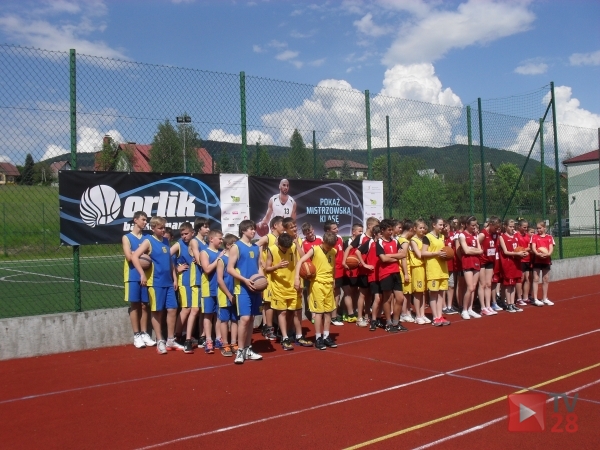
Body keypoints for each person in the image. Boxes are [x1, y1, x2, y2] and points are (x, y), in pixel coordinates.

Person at [131, 216, 179, 354]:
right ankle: (160, 341)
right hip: (155, 282)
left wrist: (174, 278)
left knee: (172, 309)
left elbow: (169, 261)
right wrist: (142, 274)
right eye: (160, 228)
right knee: (157, 311)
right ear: (153, 228)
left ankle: (170, 339)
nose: (163, 230)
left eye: (164, 227)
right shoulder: (148, 241)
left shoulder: (166, 241)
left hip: (168, 282)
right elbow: (135, 256)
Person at [266, 233, 313, 350]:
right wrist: (277, 266)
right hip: (279, 286)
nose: (286, 250)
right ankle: (285, 337)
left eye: (288, 248)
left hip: (293, 285)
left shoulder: (292, 246)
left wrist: (298, 280)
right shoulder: (271, 250)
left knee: (297, 312)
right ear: (279, 244)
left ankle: (299, 336)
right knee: (282, 312)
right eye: (284, 248)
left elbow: (301, 260)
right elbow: (267, 268)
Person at [227, 220, 264, 364]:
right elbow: (230, 268)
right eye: (250, 229)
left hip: (255, 287)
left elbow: (259, 266)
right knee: (245, 319)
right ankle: (240, 350)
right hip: (242, 287)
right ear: (243, 230)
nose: (253, 231)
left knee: (252, 319)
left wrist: (263, 282)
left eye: (254, 229)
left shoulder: (256, 247)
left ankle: (248, 349)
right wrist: (244, 280)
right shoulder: (236, 247)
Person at [295, 231, 338, 350]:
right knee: (319, 313)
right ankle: (318, 337)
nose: (329, 248)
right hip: (317, 284)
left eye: (331, 246)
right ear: (323, 241)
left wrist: (334, 280)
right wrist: (297, 278)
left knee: (328, 311)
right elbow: (300, 261)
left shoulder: (333, 251)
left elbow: (333, 267)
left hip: (329, 284)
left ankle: (326, 336)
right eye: (328, 246)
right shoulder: (315, 250)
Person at [122, 211, 155, 348]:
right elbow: (129, 257)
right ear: (135, 220)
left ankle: (144, 333)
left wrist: (138, 254)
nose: (145, 222)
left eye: (146, 220)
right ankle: (136, 335)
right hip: (132, 275)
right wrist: (141, 254)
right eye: (143, 219)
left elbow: (151, 254)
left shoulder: (147, 237)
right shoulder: (127, 237)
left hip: (147, 276)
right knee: (135, 305)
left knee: (144, 305)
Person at [374, 219, 409, 332]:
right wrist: (396, 256)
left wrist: (389, 256)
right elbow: (383, 259)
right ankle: (388, 323)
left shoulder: (395, 241)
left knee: (400, 298)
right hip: (385, 273)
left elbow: (403, 254)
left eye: (391, 230)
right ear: (382, 230)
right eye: (389, 230)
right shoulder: (379, 242)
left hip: (396, 272)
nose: (391, 232)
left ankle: (396, 322)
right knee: (387, 298)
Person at [255, 216, 284, 341]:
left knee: (276, 302)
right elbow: (256, 245)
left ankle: (272, 326)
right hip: (268, 275)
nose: (284, 227)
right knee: (268, 302)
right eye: (282, 225)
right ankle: (268, 328)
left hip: (278, 275)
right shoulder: (268, 237)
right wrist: (261, 260)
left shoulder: (282, 239)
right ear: (275, 226)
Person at [348, 217, 380, 327]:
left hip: (372, 271)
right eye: (376, 225)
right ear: (370, 226)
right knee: (362, 294)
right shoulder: (362, 237)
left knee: (369, 295)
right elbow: (350, 249)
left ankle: (367, 316)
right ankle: (359, 318)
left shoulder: (375, 239)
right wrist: (345, 261)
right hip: (363, 270)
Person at [170, 222, 196, 352]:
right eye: (182, 234)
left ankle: (188, 334)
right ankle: (177, 335)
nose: (184, 236)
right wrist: (176, 268)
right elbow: (165, 256)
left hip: (195, 280)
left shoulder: (196, 243)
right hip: (184, 281)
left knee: (195, 309)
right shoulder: (179, 244)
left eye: (186, 234)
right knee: (186, 308)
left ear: (192, 233)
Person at [324, 220, 355, 325]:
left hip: (343, 269)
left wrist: (346, 262)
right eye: (334, 228)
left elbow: (342, 252)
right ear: (328, 231)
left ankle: (350, 314)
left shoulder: (340, 238)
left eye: (337, 227)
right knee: (336, 293)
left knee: (347, 290)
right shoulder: (327, 242)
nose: (337, 229)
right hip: (335, 271)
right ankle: (333, 316)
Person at [421, 216, 450, 326]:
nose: (442, 227)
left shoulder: (442, 236)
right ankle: (435, 317)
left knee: (441, 294)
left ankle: (440, 316)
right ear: (434, 225)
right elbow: (423, 253)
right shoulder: (427, 237)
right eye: (440, 225)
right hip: (433, 269)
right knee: (433, 294)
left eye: (443, 225)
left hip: (443, 269)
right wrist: (436, 253)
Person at [199, 230, 225, 354]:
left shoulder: (221, 251)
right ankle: (208, 339)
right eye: (219, 238)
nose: (221, 241)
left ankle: (218, 338)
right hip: (208, 288)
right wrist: (219, 258)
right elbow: (207, 269)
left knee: (219, 315)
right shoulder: (204, 252)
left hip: (220, 288)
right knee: (208, 314)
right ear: (211, 239)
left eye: (222, 238)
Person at [216, 233, 240, 357]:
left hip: (236, 292)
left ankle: (234, 343)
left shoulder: (236, 260)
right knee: (224, 320)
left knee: (235, 319)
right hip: (225, 294)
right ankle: (225, 344)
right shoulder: (222, 260)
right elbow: (220, 280)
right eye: (234, 245)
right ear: (228, 245)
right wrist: (229, 295)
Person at [499, 219, 528, 313]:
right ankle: (508, 304)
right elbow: (505, 251)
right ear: (505, 226)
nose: (512, 228)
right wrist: (517, 254)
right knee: (508, 285)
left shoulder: (515, 236)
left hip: (516, 262)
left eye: (513, 227)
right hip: (508, 263)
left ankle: (512, 303)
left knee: (514, 284)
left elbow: (518, 248)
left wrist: (523, 252)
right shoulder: (502, 237)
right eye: (510, 226)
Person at [458, 216, 483, 320]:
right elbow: (466, 251)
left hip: (476, 262)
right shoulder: (462, 235)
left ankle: (470, 308)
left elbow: (480, 250)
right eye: (472, 225)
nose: (474, 227)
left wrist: (472, 249)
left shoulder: (475, 235)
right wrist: (474, 250)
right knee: (470, 287)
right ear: (467, 225)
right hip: (467, 262)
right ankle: (464, 310)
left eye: (475, 225)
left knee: (474, 286)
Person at [478, 216, 500, 316]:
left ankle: (488, 305)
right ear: (490, 224)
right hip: (482, 261)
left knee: (489, 284)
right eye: (495, 227)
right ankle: (482, 307)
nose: (497, 229)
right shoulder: (483, 234)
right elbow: (476, 245)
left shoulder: (495, 234)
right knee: (482, 284)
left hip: (490, 261)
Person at [530, 221, 555, 306]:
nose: (538, 230)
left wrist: (548, 254)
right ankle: (535, 298)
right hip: (537, 260)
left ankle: (545, 298)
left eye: (540, 228)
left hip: (546, 260)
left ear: (544, 228)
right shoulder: (534, 237)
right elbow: (533, 247)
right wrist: (537, 254)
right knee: (536, 279)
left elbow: (551, 248)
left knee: (546, 279)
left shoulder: (549, 237)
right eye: (537, 228)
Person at [409, 219, 428, 325]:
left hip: (425, 266)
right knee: (418, 292)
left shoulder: (424, 239)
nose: (422, 230)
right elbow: (419, 254)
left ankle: (422, 314)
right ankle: (418, 315)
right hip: (417, 267)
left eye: (423, 228)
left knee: (423, 292)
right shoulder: (413, 240)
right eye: (420, 228)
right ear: (415, 228)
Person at [397, 220, 414, 323]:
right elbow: (403, 258)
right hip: (404, 269)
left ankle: (407, 312)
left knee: (407, 292)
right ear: (410, 229)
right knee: (405, 293)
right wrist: (406, 273)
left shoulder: (400, 239)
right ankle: (404, 313)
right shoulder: (405, 241)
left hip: (403, 269)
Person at [515, 219, 532, 307]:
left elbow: (529, 247)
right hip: (520, 259)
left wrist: (524, 250)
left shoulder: (527, 236)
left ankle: (525, 297)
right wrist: (521, 251)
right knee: (520, 279)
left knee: (527, 278)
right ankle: (518, 298)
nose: (526, 229)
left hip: (527, 259)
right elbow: (516, 248)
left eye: (526, 227)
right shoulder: (516, 235)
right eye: (524, 227)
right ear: (519, 227)